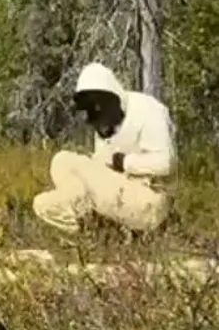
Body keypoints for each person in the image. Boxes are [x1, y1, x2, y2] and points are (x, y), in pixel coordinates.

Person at [32, 62, 176, 234]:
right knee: (60, 166)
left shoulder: (148, 110)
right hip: (121, 192)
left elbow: (166, 162)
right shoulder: (105, 123)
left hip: (149, 199)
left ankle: (88, 226)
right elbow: (105, 165)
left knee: (60, 182)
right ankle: (86, 221)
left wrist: (124, 162)